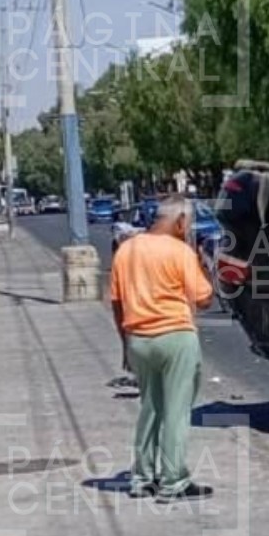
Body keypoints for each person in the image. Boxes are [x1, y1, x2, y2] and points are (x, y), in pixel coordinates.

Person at [110, 194, 214, 503]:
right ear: (181, 221)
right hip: (176, 337)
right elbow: (204, 298)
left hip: (139, 339)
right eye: (189, 223)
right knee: (176, 412)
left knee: (150, 408)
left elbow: (117, 303)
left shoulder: (126, 250)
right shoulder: (181, 252)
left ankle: (142, 478)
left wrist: (125, 344)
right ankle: (173, 481)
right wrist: (202, 263)